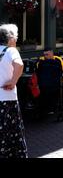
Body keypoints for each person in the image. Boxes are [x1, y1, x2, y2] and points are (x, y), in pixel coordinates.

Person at [0, 24, 28, 158]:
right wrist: (13, 81)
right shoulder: (11, 50)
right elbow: (20, 65)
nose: (16, 40)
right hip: (7, 99)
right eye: (15, 37)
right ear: (10, 38)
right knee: (11, 135)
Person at [36, 47, 63, 115]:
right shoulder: (41, 61)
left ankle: (53, 107)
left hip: (55, 83)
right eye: (44, 55)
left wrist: (62, 81)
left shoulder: (58, 59)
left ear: (52, 54)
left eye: (47, 54)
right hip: (44, 84)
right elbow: (38, 73)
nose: (45, 56)